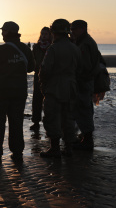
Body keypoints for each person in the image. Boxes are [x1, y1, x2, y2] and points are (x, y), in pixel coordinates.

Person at [0, 21, 35, 164]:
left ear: (6, 32)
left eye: (3, 31)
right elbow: (31, 67)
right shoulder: (26, 49)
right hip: (19, 91)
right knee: (16, 122)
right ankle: (17, 153)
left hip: (0, 91)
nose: (2, 33)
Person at [39, 19, 82, 158]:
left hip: (54, 87)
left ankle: (55, 148)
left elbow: (45, 70)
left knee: (52, 118)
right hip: (71, 87)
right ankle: (68, 148)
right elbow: (80, 69)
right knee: (68, 118)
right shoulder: (75, 48)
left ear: (54, 32)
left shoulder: (53, 48)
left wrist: (43, 86)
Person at [70, 20, 100, 151]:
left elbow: (85, 66)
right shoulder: (85, 41)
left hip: (83, 81)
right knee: (84, 109)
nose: (72, 32)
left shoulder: (85, 43)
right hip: (85, 81)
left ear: (82, 29)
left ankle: (87, 140)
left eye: (74, 29)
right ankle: (85, 138)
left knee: (84, 110)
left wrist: (78, 77)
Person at [30, 27, 52, 131]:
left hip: (50, 76)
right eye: (42, 34)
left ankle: (50, 121)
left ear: (49, 35)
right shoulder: (36, 47)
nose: (44, 36)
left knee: (50, 100)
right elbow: (33, 59)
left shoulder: (52, 46)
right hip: (38, 76)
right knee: (36, 100)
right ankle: (36, 122)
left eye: (46, 34)